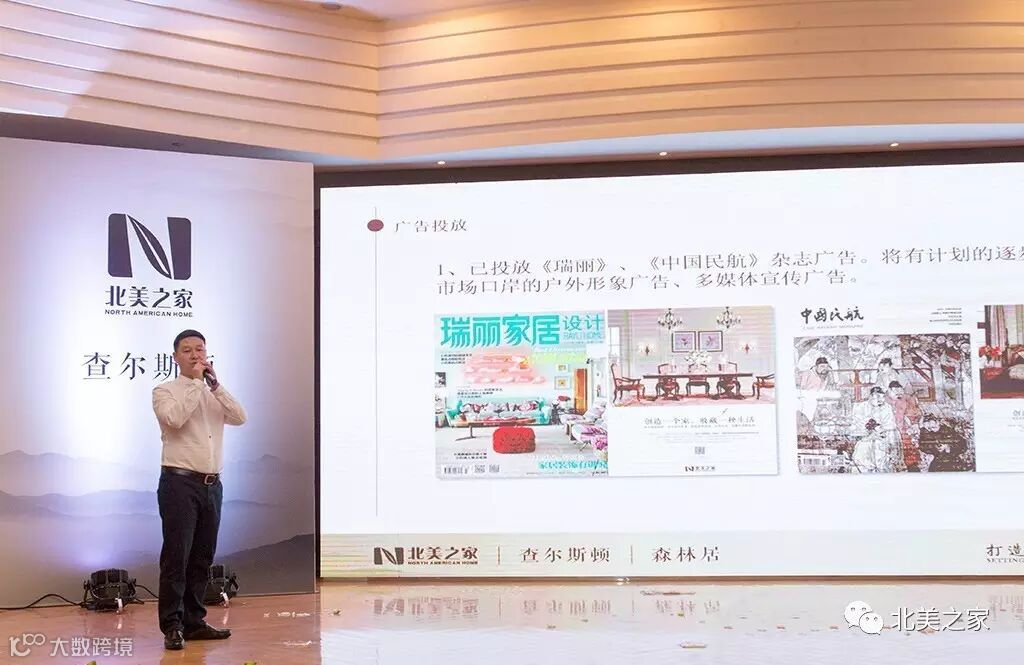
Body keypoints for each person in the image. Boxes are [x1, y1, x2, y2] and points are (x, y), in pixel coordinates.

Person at [152, 330, 246, 651]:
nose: (195, 355)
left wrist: (215, 386)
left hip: (212, 485)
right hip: (179, 484)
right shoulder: (164, 391)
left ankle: (194, 622)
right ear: (175, 357)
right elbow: (175, 419)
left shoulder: (212, 392)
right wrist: (195, 383)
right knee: (176, 557)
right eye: (187, 350)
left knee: (202, 558)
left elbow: (240, 417)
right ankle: (172, 625)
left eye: (200, 349)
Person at [885, 381, 923, 471]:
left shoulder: (907, 398)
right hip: (889, 429)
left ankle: (911, 465)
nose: (898, 392)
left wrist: (913, 423)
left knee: (908, 445)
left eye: (900, 390)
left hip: (904, 428)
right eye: (895, 390)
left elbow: (914, 413)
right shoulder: (884, 400)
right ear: (889, 390)